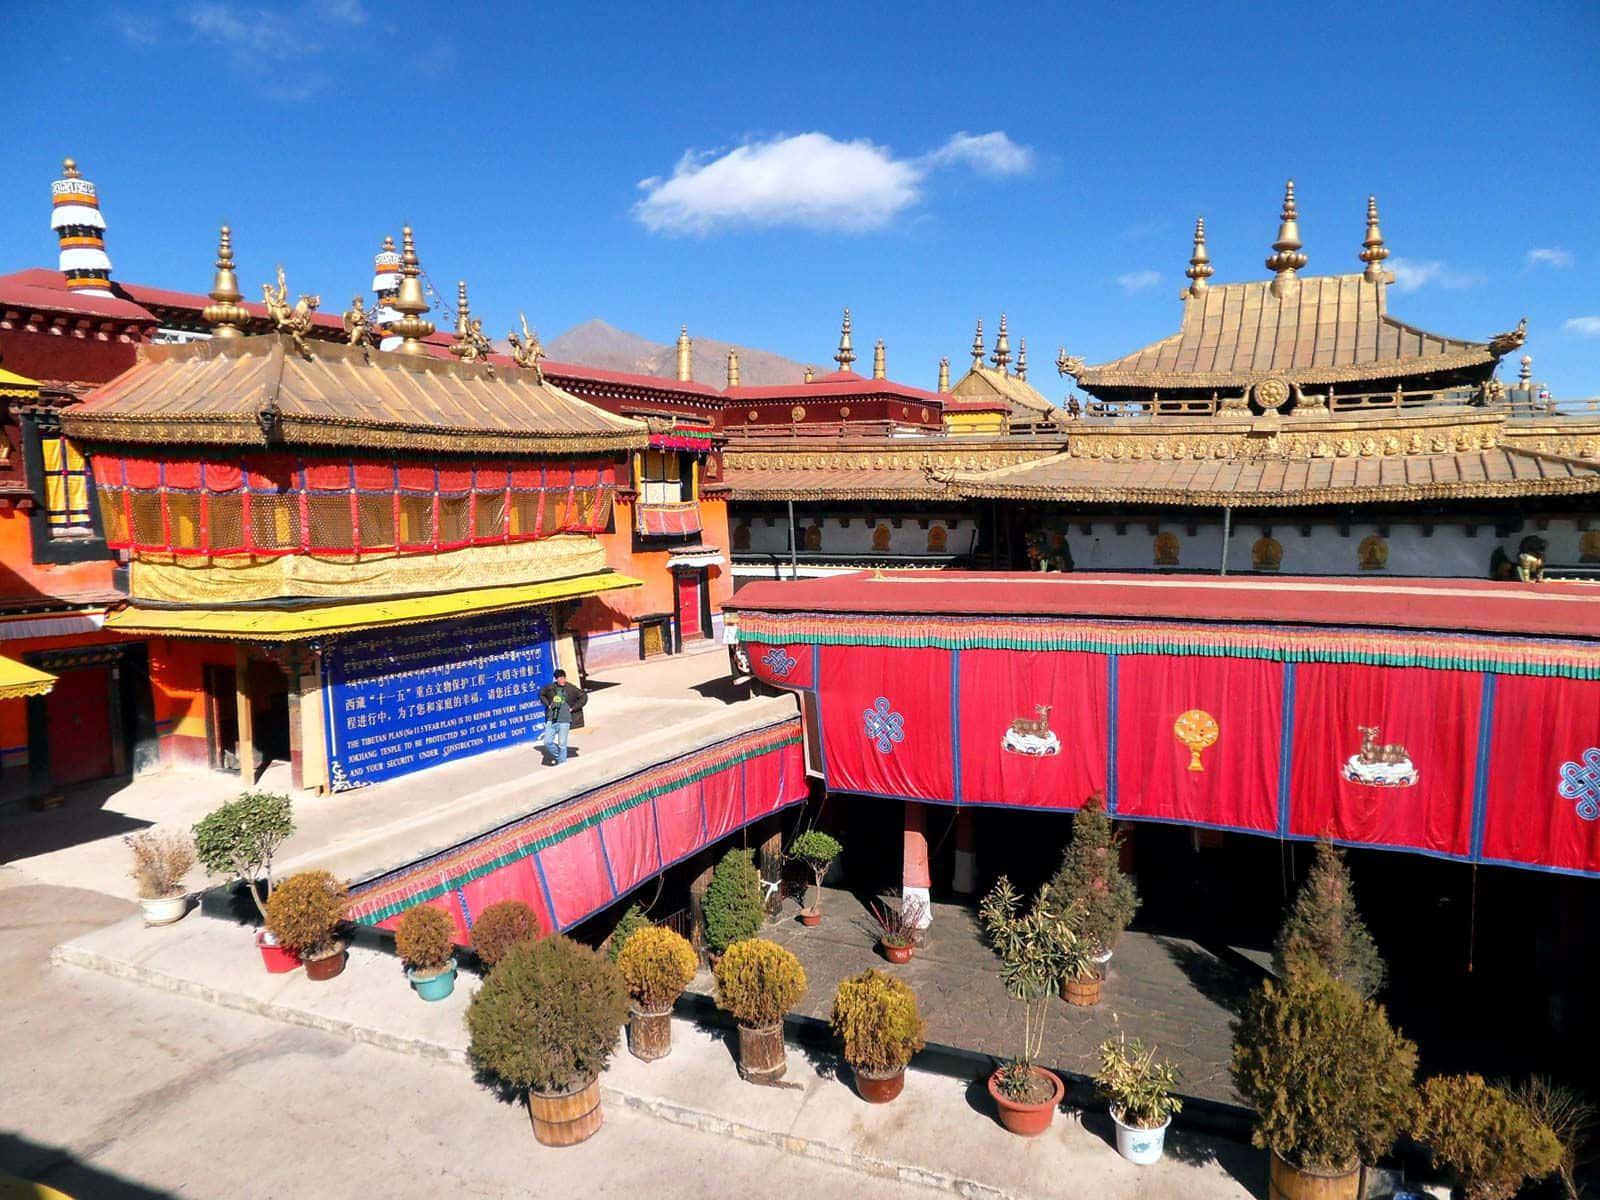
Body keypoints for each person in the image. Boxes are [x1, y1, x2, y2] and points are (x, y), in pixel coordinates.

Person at [538, 669, 585, 766]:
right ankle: (559, 756)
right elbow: (541, 694)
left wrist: (573, 708)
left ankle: (562, 763)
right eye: (560, 678)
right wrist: (548, 704)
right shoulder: (550, 688)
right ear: (556, 679)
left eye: (563, 678)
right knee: (547, 742)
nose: (562, 680)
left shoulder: (571, 688)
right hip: (552, 719)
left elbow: (584, 696)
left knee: (562, 744)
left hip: (565, 719)